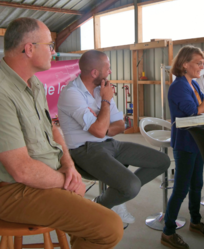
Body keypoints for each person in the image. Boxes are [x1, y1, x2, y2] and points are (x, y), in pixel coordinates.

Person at [0, 18, 123, 249]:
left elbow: (52, 129)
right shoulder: (2, 91)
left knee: (90, 225)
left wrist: (68, 165)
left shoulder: (33, 84)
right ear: (29, 49)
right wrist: (65, 182)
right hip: (12, 190)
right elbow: (21, 170)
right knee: (110, 227)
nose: (53, 52)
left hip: (44, 175)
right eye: (49, 45)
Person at [57, 50, 171, 224]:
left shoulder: (102, 90)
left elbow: (119, 124)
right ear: (94, 72)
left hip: (109, 143)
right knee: (131, 186)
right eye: (108, 68)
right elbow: (98, 131)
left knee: (162, 161)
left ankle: (116, 196)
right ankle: (98, 206)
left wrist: (102, 127)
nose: (110, 72)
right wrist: (105, 103)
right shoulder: (72, 93)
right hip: (85, 150)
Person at [161, 45, 204, 249]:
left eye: (203, 63)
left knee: (197, 184)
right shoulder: (179, 86)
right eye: (198, 63)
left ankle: (195, 221)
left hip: (198, 142)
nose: (201, 67)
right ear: (184, 64)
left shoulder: (194, 84)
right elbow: (193, 113)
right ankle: (168, 232)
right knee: (181, 189)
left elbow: (203, 109)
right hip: (186, 144)